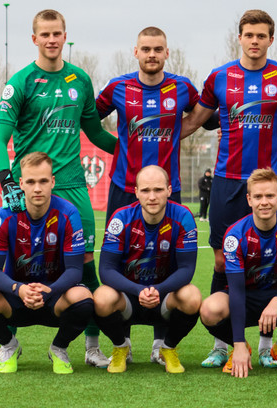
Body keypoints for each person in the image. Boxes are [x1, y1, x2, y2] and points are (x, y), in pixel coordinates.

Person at [0, 9, 116, 368]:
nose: (51, 39)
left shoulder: (80, 80)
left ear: (64, 35)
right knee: (15, 264)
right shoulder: (21, 82)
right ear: (34, 39)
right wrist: (8, 181)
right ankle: (8, 344)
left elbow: (96, 133)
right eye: (44, 34)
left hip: (72, 186)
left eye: (57, 33)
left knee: (86, 264)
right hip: (27, 188)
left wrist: (133, 151)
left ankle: (92, 347)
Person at [181, 9, 277, 368]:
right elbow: (195, 121)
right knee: (222, 259)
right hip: (228, 180)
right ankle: (223, 344)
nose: (255, 41)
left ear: (271, 39)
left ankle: (265, 344)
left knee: (273, 258)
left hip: (268, 182)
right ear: (239, 38)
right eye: (249, 35)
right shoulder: (219, 77)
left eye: (261, 35)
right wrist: (150, 140)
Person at [96, 26, 203, 363]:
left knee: (165, 259)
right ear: (136, 52)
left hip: (167, 188)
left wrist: (181, 130)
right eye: (146, 49)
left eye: (158, 49)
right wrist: (116, 146)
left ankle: (160, 343)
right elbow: (88, 118)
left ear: (167, 53)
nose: (152, 55)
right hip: (125, 186)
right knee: (122, 260)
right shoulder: (118, 86)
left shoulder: (182, 87)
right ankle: (123, 342)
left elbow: (205, 113)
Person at [0, 152, 93, 374]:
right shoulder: (4, 215)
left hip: (54, 296)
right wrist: (19, 289)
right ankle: (9, 346)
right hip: (16, 297)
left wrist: (49, 290)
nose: (37, 188)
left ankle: (59, 348)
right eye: (31, 182)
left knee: (84, 298)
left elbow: (75, 270)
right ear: (21, 183)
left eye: (43, 181)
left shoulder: (69, 213)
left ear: (52, 182)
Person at [199, 168, 277, 377]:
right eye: (258, 197)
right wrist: (238, 342)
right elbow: (236, 291)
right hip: (246, 300)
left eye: (269, 196)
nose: (264, 202)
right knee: (209, 310)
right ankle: (242, 349)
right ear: (249, 200)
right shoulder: (235, 235)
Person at [94, 165, 200, 373]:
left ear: (169, 190)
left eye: (158, 190)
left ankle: (167, 348)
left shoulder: (183, 216)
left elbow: (187, 269)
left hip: (164, 297)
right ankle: (121, 347)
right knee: (101, 298)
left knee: (192, 296)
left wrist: (158, 290)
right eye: (145, 190)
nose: (152, 197)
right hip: (128, 297)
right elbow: (106, 269)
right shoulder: (121, 218)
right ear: (136, 192)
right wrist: (138, 290)